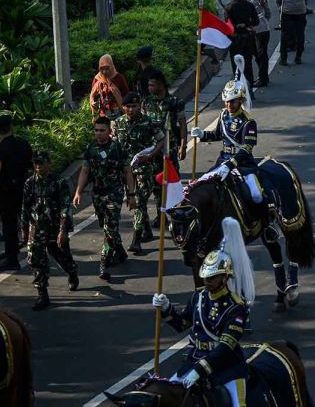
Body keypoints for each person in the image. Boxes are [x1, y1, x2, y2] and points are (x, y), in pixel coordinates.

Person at [152, 250, 249, 405]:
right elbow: (182, 324)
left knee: (238, 405)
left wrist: (200, 369)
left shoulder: (235, 308)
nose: (207, 281)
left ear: (225, 277)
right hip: (193, 361)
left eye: (212, 278)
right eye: (205, 277)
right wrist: (166, 309)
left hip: (225, 368)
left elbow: (225, 346)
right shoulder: (198, 298)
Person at [73, 115, 134, 280]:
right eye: (96, 130)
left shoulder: (117, 148)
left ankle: (103, 263)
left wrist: (131, 194)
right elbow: (85, 171)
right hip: (97, 194)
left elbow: (127, 171)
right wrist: (78, 191)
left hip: (113, 193)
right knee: (106, 225)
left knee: (110, 228)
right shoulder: (91, 148)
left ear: (109, 131)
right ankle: (120, 250)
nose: (99, 134)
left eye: (102, 130)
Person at [22, 150, 78, 309]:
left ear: (48, 163)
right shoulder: (29, 183)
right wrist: (25, 228)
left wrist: (63, 230)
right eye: (36, 163)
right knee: (35, 260)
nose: (38, 166)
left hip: (55, 228)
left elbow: (65, 208)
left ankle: (72, 272)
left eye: (41, 163)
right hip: (37, 228)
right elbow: (25, 207)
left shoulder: (59, 182)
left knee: (62, 256)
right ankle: (42, 294)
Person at [112, 91, 167, 255]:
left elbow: (162, 140)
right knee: (133, 199)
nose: (131, 109)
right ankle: (147, 229)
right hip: (126, 170)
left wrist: (151, 155)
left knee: (139, 200)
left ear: (139, 106)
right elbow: (115, 143)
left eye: (134, 106)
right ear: (123, 107)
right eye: (128, 106)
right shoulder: (118, 123)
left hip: (144, 167)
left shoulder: (149, 122)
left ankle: (136, 240)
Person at [0, 113, 33, 271]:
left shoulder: (1, 149)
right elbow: (30, 166)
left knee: (9, 224)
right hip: (24, 188)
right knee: (27, 220)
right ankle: (34, 251)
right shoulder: (23, 144)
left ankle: (11, 258)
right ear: (11, 127)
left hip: (6, 191)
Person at [226, 0, 261, 91]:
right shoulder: (249, 5)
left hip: (235, 41)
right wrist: (246, 25)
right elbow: (256, 21)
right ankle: (249, 89)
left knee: (236, 66)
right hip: (248, 39)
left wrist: (237, 27)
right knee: (248, 63)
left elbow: (228, 27)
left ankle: (239, 90)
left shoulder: (228, 8)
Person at [242, 0, 272, 88]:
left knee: (261, 54)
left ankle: (263, 78)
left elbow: (267, 11)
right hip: (250, 28)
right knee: (255, 53)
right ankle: (263, 76)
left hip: (262, 28)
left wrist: (263, 21)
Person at [89, 54, 128, 119]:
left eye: (107, 68)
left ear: (112, 66)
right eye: (102, 69)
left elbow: (126, 94)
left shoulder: (119, 77)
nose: (104, 71)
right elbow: (93, 95)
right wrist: (93, 102)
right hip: (104, 113)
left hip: (118, 112)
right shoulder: (97, 79)